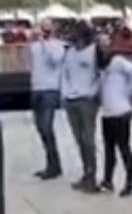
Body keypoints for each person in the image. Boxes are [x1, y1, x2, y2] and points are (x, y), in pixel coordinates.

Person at [96, 42, 132, 198]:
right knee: (109, 150)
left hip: (121, 112)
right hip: (107, 113)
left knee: (124, 148)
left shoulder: (118, 62)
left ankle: (130, 183)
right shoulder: (101, 69)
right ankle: (107, 180)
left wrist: (129, 91)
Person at [61, 23, 100, 194]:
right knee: (79, 139)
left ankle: (92, 176)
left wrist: (93, 92)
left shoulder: (94, 51)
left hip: (87, 100)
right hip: (71, 99)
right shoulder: (70, 52)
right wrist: (65, 93)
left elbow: (101, 74)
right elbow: (65, 73)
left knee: (88, 140)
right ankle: (86, 172)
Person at [27, 20, 66, 180]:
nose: (44, 31)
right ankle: (51, 163)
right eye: (42, 28)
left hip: (50, 89)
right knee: (40, 128)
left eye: (47, 29)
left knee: (47, 127)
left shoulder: (58, 46)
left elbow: (55, 60)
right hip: (36, 88)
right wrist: (32, 40)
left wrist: (44, 43)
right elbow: (29, 62)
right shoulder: (35, 46)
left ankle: (54, 166)